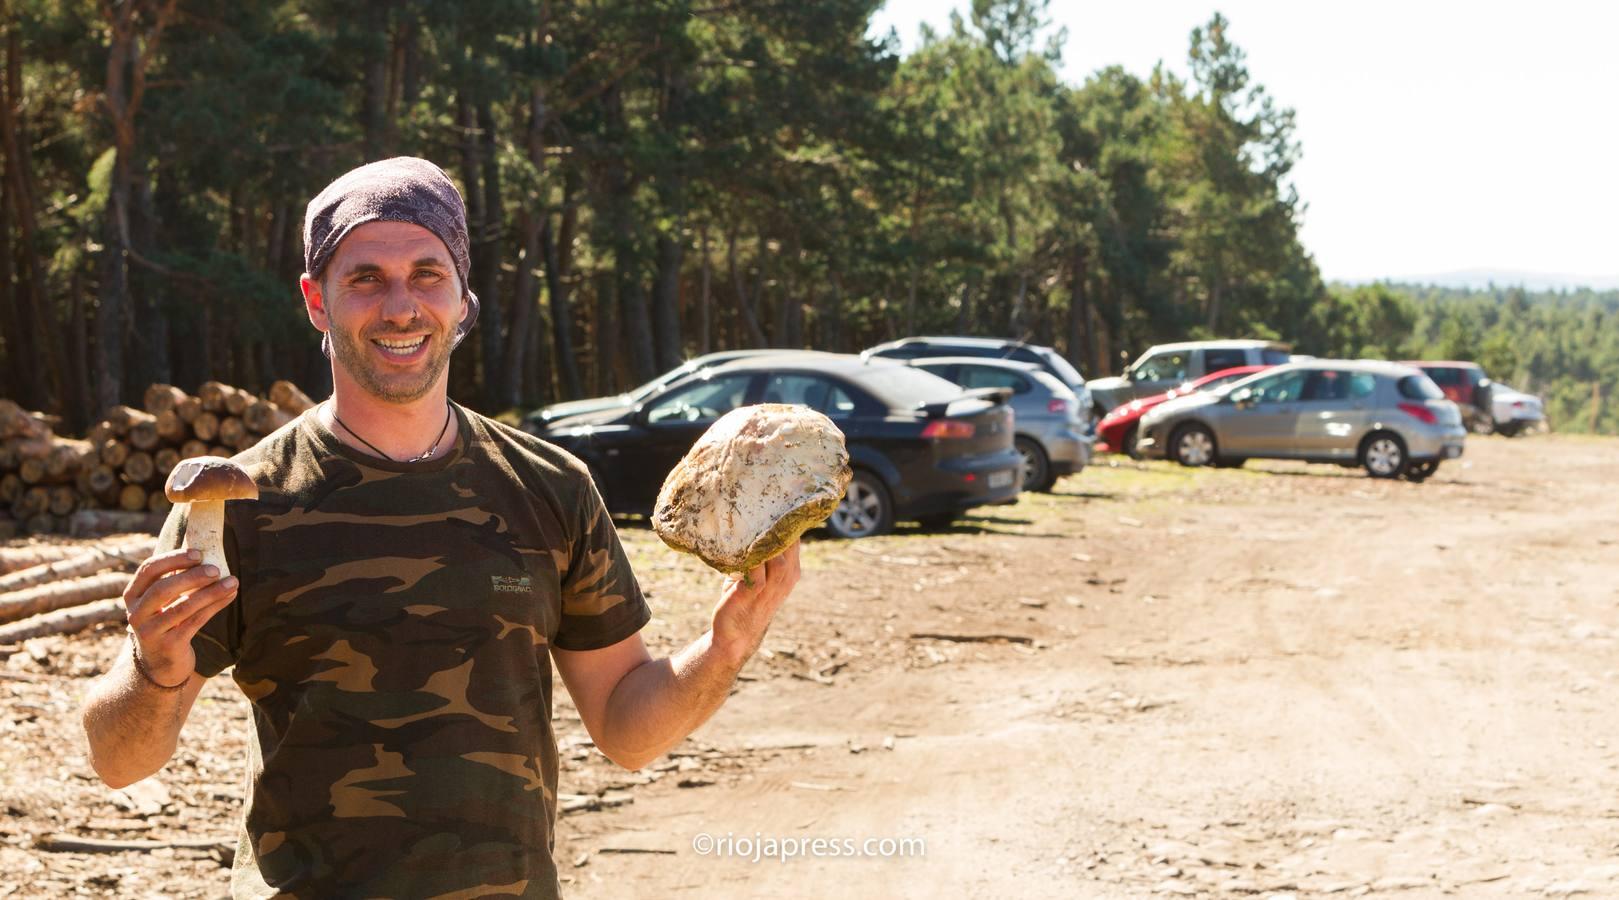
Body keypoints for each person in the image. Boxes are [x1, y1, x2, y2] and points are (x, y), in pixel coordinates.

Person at [80, 157, 801, 898]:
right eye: (365, 278)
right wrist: (153, 672)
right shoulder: (237, 503)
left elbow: (626, 727)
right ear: (315, 301)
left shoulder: (550, 487)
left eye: (428, 273)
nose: (401, 306)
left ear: (462, 300)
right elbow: (118, 763)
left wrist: (727, 644)